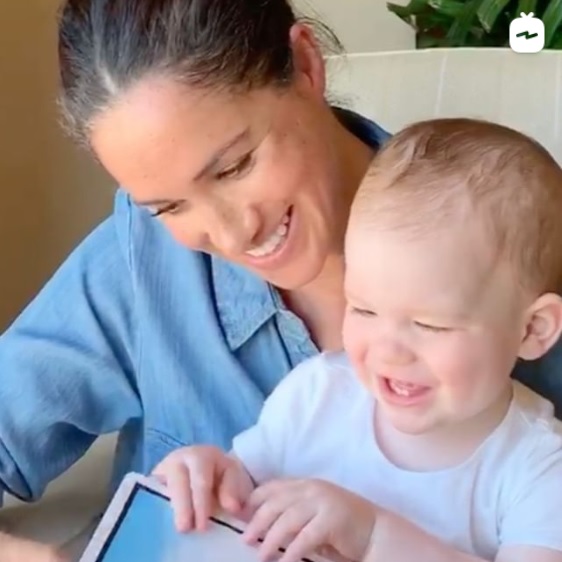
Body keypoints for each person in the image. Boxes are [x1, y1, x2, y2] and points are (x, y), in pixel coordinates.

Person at [0, 0, 560, 560]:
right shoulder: (140, 258)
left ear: (305, 65)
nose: (230, 233)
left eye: (234, 166)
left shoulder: (512, 259)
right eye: (167, 206)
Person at [153, 119, 562, 562]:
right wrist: (206, 481)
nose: (386, 350)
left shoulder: (539, 469)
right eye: (363, 309)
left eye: (430, 325)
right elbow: (238, 498)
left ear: (533, 329)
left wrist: (373, 538)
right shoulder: (316, 395)